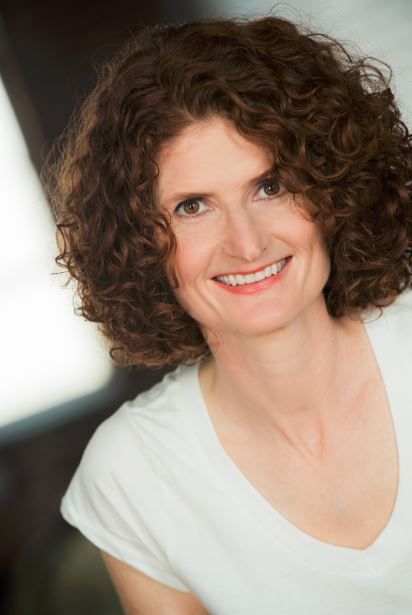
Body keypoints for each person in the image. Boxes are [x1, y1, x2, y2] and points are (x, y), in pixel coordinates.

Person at [43, 13, 412, 615]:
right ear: (139, 246)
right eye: (193, 207)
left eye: (270, 186)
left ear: (331, 187)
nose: (246, 243)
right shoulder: (131, 475)